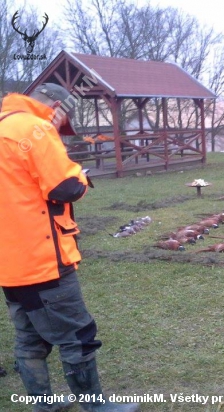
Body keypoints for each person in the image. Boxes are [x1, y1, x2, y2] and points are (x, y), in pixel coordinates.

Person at [0, 83, 139, 412]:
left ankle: (43, 405)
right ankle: (96, 406)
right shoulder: (35, 127)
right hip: (44, 259)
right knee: (78, 334)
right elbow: (66, 187)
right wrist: (80, 172)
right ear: (57, 107)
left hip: (10, 262)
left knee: (30, 339)